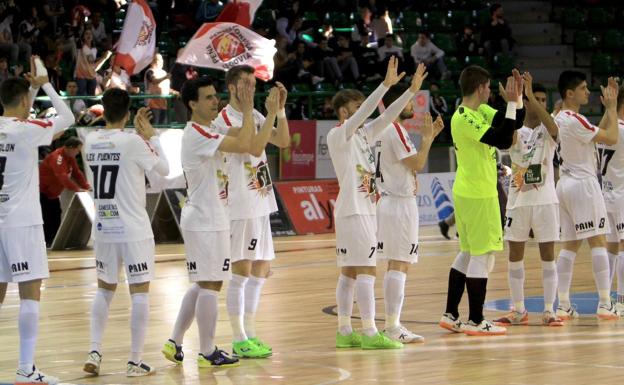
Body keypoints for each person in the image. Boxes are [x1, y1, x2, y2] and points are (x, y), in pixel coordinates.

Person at [162, 76, 258, 367]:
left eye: (216, 96)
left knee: (202, 283)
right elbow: (244, 142)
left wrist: (250, 107)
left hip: (208, 216)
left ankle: (175, 340)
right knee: (211, 285)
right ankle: (206, 351)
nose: (215, 101)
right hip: (205, 218)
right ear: (192, 104)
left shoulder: (209, 128)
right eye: (208, 97)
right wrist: (250, 105)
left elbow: (247, 135)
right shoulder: (196, 133)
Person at [329, 57, 423, 350]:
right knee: (366, 270)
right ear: (345, 112)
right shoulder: (339, 134)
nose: (362, 114)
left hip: (360, 209)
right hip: (355, 211)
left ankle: (345, 330)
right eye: (356, 109)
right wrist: (385, 85)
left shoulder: (363, 136)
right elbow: (370, 112)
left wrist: (410, 91)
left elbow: (385, 118)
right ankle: (370, 332)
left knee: (349, 272)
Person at [82, 90, 170, 377]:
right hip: (133, 228)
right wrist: (152, 136)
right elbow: (164, 169)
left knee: (104, 289)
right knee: (139, 292)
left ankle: (94, 351)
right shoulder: (133, 141)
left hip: (105, 226)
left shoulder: (90, 141)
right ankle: (134, 361)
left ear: (103, 111)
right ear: (128, 113)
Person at [0, 56, 74, 385]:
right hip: (22, 221)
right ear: (26, 101)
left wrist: (29, 88)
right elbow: (68, 117)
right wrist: (43, 82)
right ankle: (26, 370)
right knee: (30, 292)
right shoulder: (28, 130)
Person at [439, 66, 524, 336]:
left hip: (470, 192)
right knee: (483, 253)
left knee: (467, 252)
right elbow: (502, 140)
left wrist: (517, 99)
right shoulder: (463, 117)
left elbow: (515, 122)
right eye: (488, 88)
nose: (490, 92)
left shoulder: (480, 112)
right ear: (479, 88)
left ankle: (451, 314)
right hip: (478, 193)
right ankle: (476, 320)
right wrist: (511, 104)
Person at [211, 66, 290, 358]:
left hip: (260, 199)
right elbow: (254, 146)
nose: (252, 89)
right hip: (239, 204)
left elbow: (282, 141)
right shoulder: (221, 121)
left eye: (254, 84)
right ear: (231, 87)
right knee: (241, 272)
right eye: (245, 83)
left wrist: (279, 111)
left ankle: (251, 333)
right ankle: (239, 337)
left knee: (261, 270)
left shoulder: (256, 115)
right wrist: (268, 115)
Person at [491, 74, 564, 327]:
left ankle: (548, 310)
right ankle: (519, 309)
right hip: (518, 201)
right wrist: (515, 102)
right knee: (515, 254)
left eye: (544, 99)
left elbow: (554, 129)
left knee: (548, 254)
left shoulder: (549, 128)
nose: (540, 103)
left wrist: (532, 97)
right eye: (537, 99)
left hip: (545, 201)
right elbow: (507, 138)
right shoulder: (516, 129)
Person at [376, 78, 444, 343]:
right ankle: (392, 326)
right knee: (399, 263)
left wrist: (430, 137)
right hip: (397, 202)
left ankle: (393, 325)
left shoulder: (388, 129)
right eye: (405, 100)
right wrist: (427, 139)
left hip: (394, 201)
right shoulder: (394, 130)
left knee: (399, 263)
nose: (410, 104)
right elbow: (417, 162)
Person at [554, 73, 620, 320]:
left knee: (570, 246)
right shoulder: (574, 119)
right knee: (598, 242)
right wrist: (612, 107)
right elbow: (611, 137)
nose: (587, 92)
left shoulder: (560, 118)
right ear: (569, 93)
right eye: (583, 88)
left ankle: (563, 304)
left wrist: (608, 110)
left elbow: (598, 131)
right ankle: (604, 302)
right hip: (583, 184)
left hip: (565, 184)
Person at [598, 84, 624, 314]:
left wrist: (609, 108)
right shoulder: (622, 130)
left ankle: (605, 300)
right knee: (622, 247)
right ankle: (623, 299)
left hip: (606, 194)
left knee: (612, 248)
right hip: (622, 194)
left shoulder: (604, 129)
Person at [39, 136, 91, 247]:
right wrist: (77, 189)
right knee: (47, 217)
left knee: (56, 215)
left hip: (53, 194)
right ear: (71, 148)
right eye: (77, 150)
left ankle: (54, 241)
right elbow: (62, 177)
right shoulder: (57, 158)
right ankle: (47, 241)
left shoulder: (69, 157)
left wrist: (86, 186)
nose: (78, 153)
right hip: (43, 192)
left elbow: (77, 173)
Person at [144, 53, 171, 125]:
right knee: (154, 126)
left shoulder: (164, 72)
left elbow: (167, 88)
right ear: (152, 61)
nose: (161, 61)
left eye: (162, 59)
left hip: (164, 105)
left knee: (163, 127)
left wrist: (174, 92)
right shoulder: (149, 71)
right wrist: (165, 77)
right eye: (158, 60)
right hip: (152, 105)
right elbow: (154, 81)